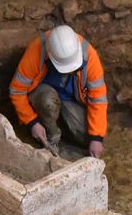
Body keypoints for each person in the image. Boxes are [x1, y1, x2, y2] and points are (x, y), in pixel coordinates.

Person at [9, 25, 107, 159]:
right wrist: (32, 122)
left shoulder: (89, 55)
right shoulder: (36, 51)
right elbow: (16, 90)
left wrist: (97, 137)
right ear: (50, 54)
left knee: (87, 138)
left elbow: (98, 99)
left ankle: (60, 126)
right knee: (47, 102)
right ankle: (51, 137)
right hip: (44, 96)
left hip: (70, 99)